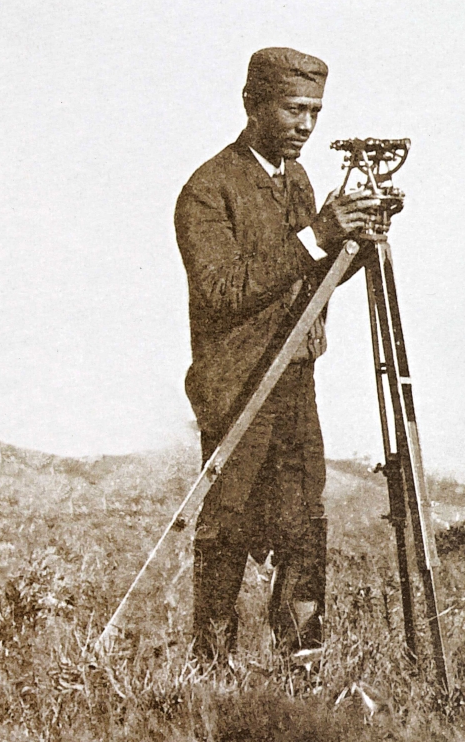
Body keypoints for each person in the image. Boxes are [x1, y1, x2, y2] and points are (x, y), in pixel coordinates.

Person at [174, 47, 380, 660]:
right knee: (228, 527)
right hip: (237, 385)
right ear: (251, 105)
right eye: (294, 109)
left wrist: (356, 245)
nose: (307, 125)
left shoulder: (298, 180)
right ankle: (209, 668)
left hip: (293, 379)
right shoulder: (209, 188)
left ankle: (301, 668)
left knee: (303, 524)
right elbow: (221, 289)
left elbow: (303, 283)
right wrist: (319, 233)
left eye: (315, 111)